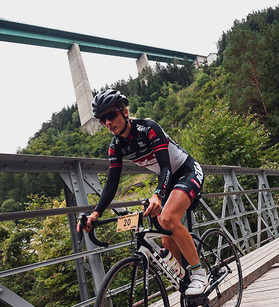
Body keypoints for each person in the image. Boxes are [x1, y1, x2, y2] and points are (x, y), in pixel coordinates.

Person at [78, 89, 208, 296]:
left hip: (186, 171)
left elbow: (165, 167)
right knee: (166, 239)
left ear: (125, 112)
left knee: (167, 219)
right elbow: (111, 184)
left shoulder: (148, 128)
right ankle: (188, 282)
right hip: (169, 180)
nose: (108, 123)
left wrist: (158, 195)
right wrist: (96, 213)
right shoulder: (116, 146)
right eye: (103, 120)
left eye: (111, 115)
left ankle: (200, 274)